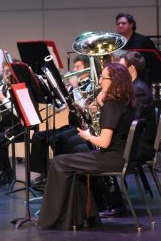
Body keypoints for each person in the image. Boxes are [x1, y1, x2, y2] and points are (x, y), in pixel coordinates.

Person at [38, 63, 135, 230]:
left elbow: (104, 142)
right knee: (71, 164)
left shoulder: (112, 105)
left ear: (115, 81)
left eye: (104, 78)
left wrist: (87, 136)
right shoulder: (124, 102)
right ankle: (78, 217)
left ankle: (53, 217)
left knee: (59, 162)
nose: (100, 82)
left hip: (111, 159)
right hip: (120, 157)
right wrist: (99, 102)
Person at [29, 55, 91, 187]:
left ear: (87, 69)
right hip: (71, 124)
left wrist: (74, 88)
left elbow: (83, 106)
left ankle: (63, 175)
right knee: (38, 136)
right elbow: (62, 105)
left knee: (57, 139)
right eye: (74, 67)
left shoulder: (90, 84)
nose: (74, 69)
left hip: (82, 126)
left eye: (78, 67)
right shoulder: (72, 85)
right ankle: (44, 174)